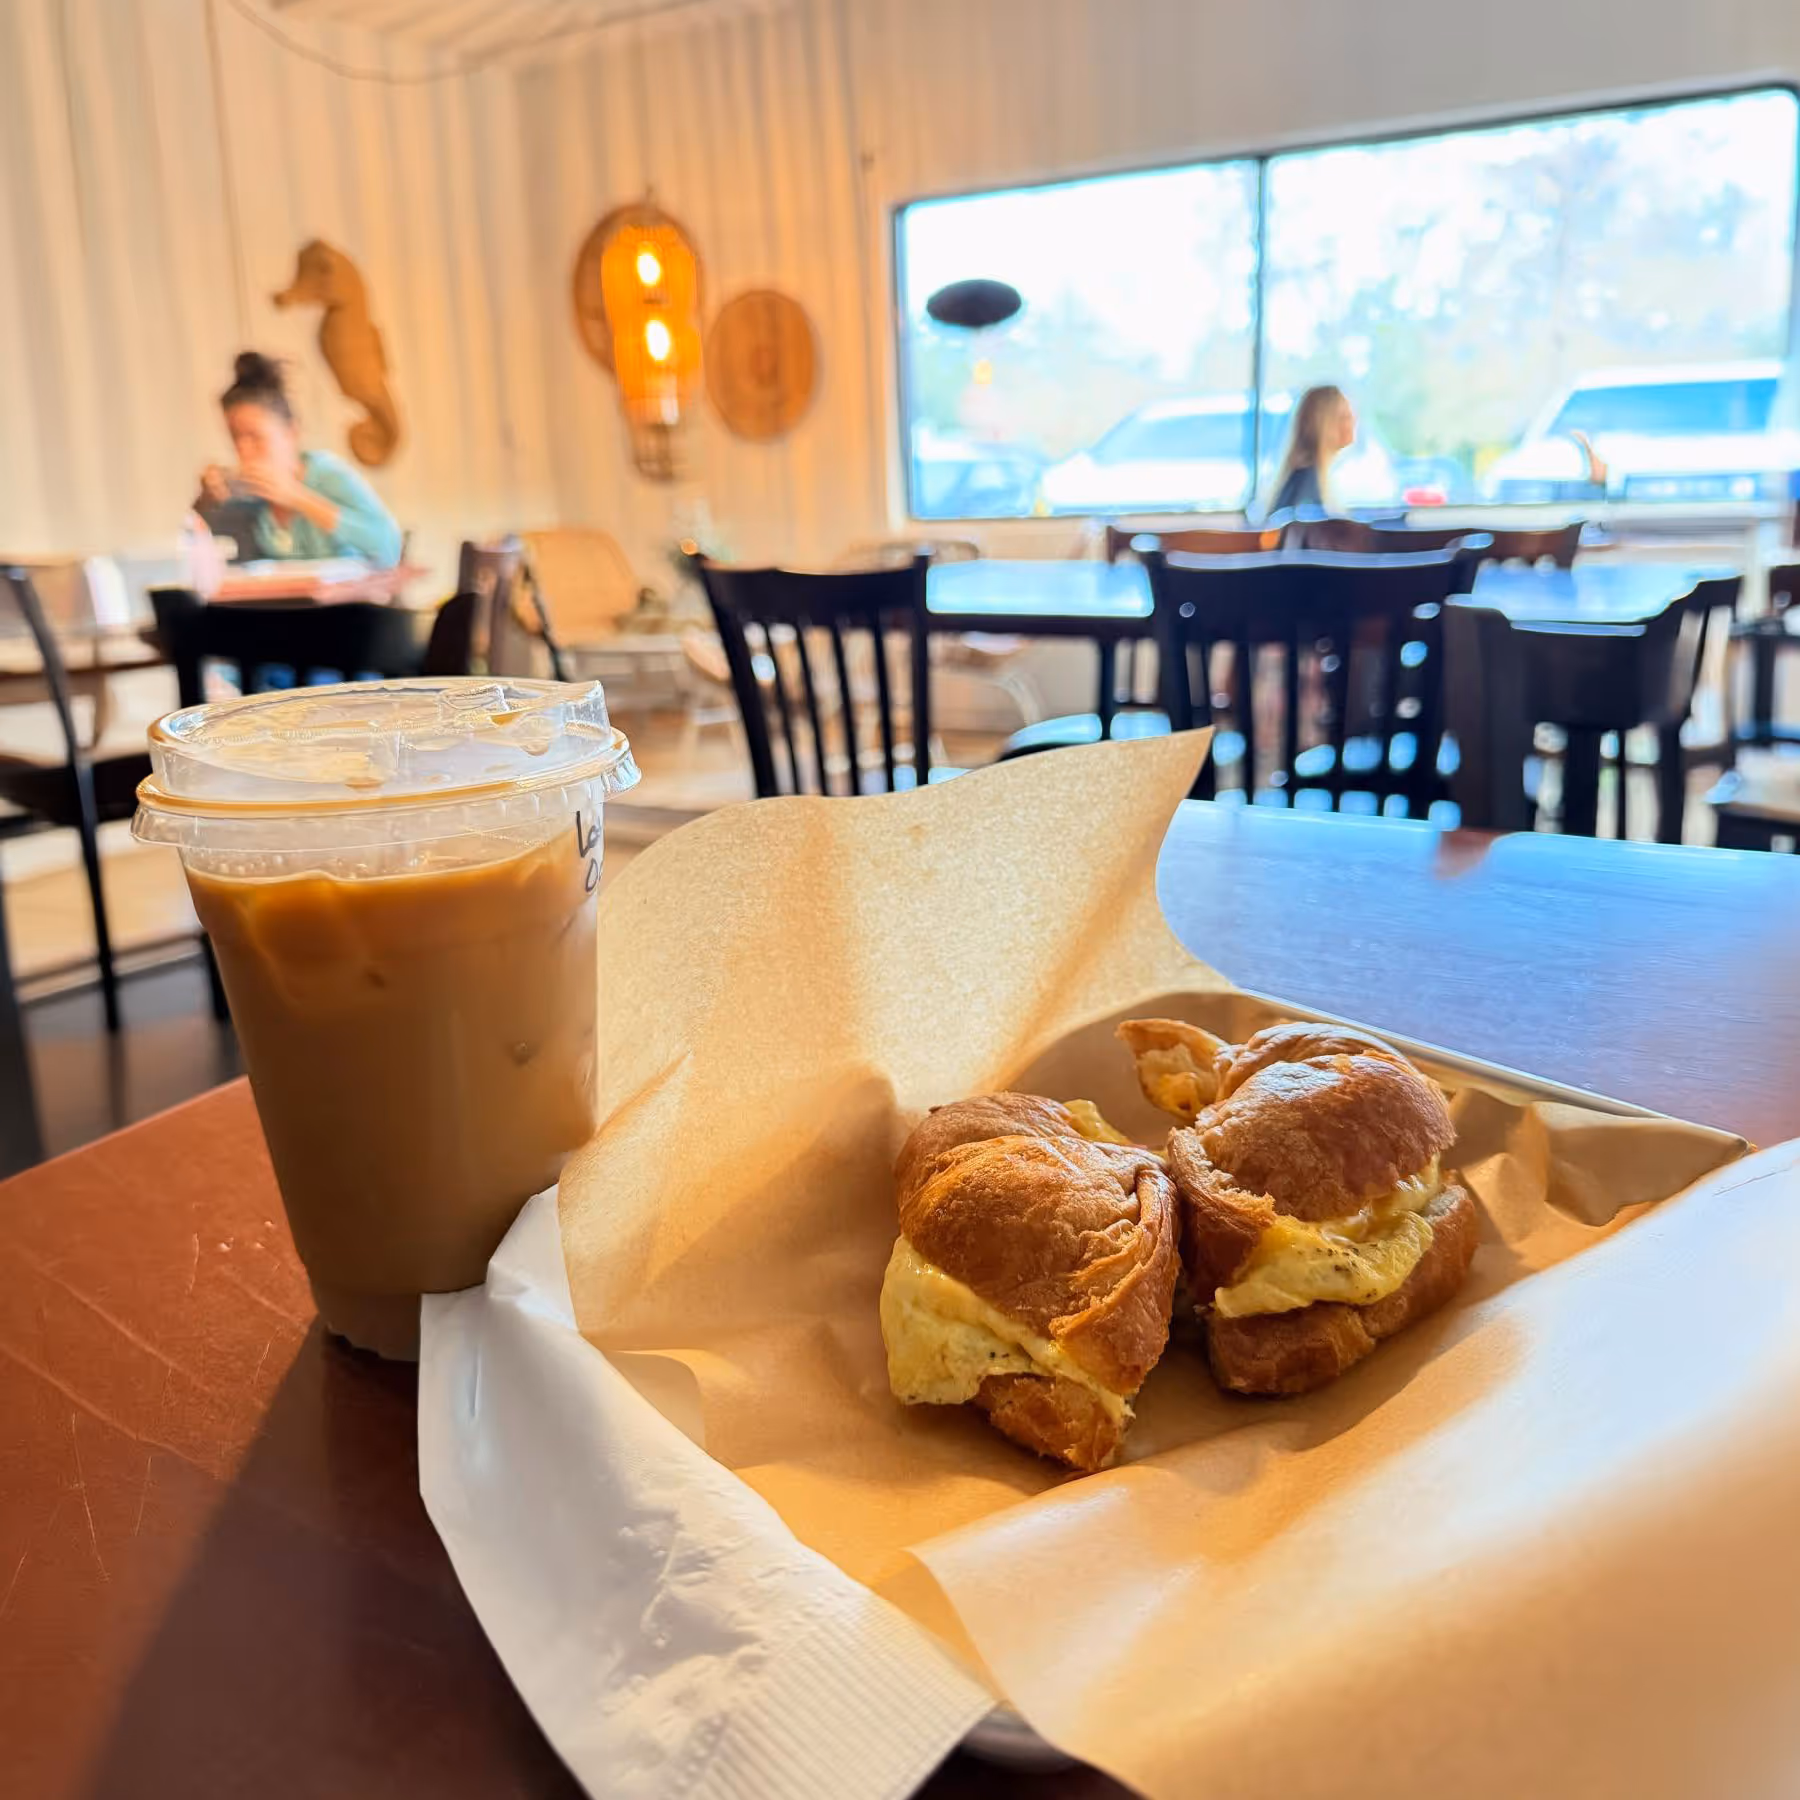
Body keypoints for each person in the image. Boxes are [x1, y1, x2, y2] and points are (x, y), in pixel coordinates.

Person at [195, 352, 403, 568]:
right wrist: (207, 502)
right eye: (235, 438)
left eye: (255, 437)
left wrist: (296, 497)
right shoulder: (248, 499)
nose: (244, 450)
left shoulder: (328, 475)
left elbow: (388, 545)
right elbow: (208, 555)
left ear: (291, 433)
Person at [1265, 384, 1357, 518]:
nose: (1354, 422)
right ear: (1326, 425)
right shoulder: (1308, 484)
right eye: (1345, 417)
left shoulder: (1306, 477)